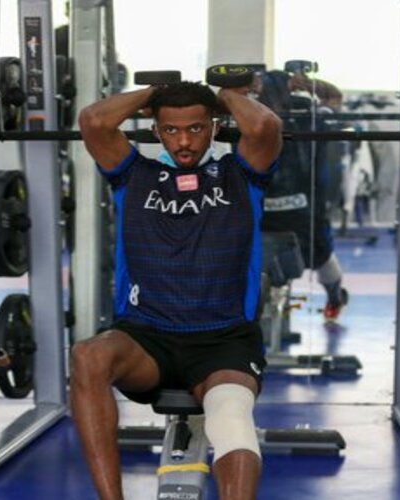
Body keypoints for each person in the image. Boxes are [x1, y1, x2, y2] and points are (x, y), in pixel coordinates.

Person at [73, 79, 282, 499]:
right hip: (147, 339)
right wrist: (157, 93)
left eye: (196, 128)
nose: (184, 141)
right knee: (87, 355)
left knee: (231, 415)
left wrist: (220, 95)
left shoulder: (242, 176)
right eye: (171, 130)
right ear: (155, 130)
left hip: (223, 340)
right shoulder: (133, 176)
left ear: (214, 127)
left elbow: (264, 126)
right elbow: (94, 121)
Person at [258, 69, 348, 322]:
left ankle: (334, 297)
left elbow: (333, 103)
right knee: (321, 256)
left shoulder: (306, 117)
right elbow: (334, 100)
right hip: (286, 211)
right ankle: (333, 297)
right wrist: (309, 86)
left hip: (293, 210)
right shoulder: (253, 120)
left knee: (320, 254)